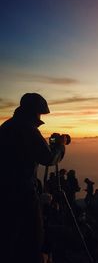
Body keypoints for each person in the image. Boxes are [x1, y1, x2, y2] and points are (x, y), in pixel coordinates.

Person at [0, 93, 65, 262]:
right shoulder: (28, 129)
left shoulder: (7, 126)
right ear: (34, 111)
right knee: (33, 238)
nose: (40, 116)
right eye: (40, 113)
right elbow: (48, 158)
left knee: (10, 238)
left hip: (5, 192)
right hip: (22, 194)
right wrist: (60, 145)